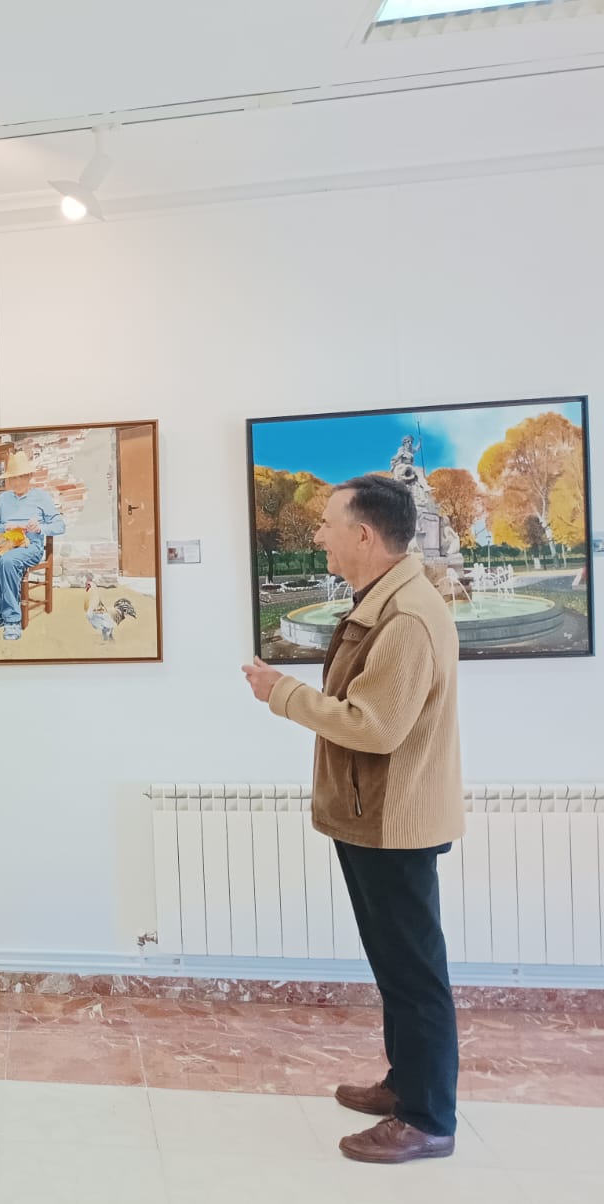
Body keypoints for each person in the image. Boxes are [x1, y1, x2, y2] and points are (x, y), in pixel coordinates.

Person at [242, 474, 463, 1165]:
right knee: (398, 967)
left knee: (413, 972)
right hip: (378, 814)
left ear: (364, 535)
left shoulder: (406, 618)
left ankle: (428, 1117)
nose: (317, 535)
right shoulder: (390, 603)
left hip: (394, 820)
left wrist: (283, 696)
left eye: (328, 524)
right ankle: (407, 1087)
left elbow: (374, 727)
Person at [0, 450, 65, 641]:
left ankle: (12, 620)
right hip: (6, 542)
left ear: (29, 476)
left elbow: (60, 525)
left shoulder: (41, 497)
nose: (17, 483)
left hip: (30, 546)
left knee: (8, 561)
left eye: (21, 477)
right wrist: (4, 526)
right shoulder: (3, 499)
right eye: (13, 478)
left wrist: (40, 528)